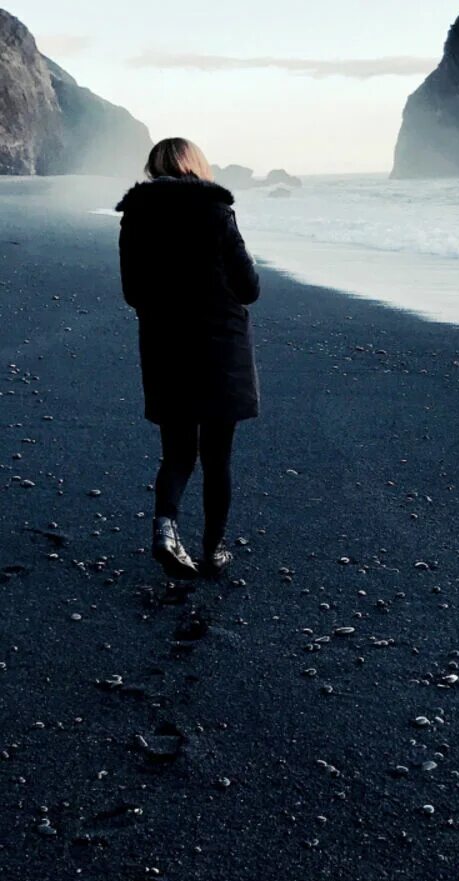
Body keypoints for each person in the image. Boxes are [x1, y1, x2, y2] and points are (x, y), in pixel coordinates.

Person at [116, 138, 260, 579]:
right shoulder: (217, 211)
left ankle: (165, 528)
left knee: (177, 453)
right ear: (196, 165)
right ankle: (213, 551)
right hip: (220, 347)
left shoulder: (135, 216)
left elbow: (132, 292)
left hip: (164, 345)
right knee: (218, 457)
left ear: (154, 166)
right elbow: (249, 287)